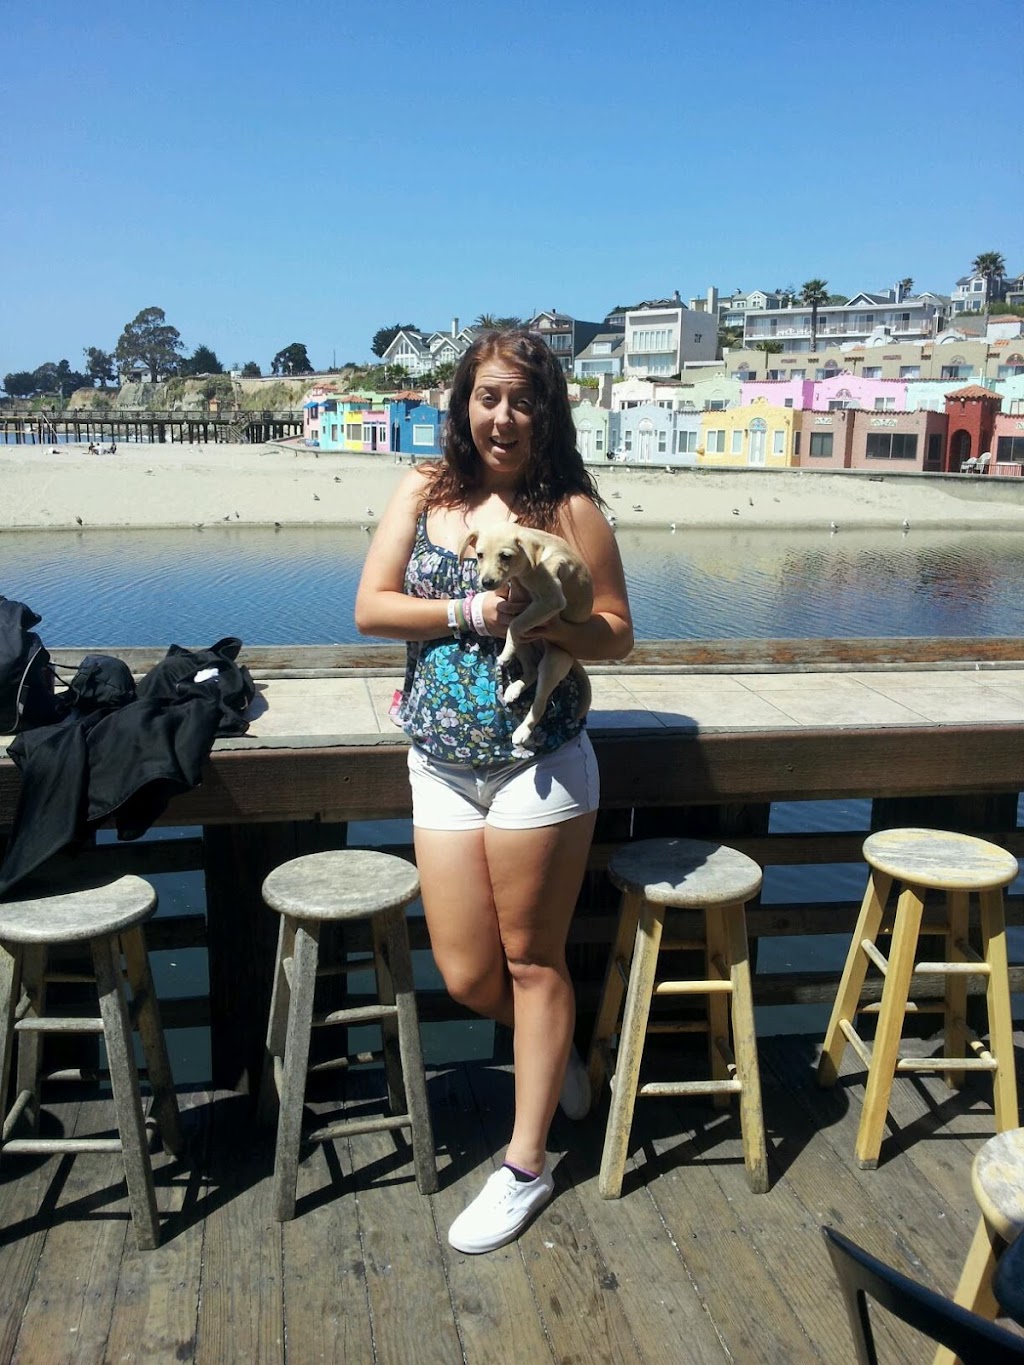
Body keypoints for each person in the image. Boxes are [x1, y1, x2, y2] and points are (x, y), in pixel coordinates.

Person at [355, 328, 633, 1254]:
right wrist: (467, 611)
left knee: (531, 959)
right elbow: (371, 606)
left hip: (539, 762)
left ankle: (526, 1164)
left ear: (546, 408)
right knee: (470, 972)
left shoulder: (571, 506)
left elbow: (620, 633)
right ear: (463, 405)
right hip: (437, 761)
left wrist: (553, 621)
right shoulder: (424, 491)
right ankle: (553, 1064)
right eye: (487, 397)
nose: (503, 417)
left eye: (521, 399)